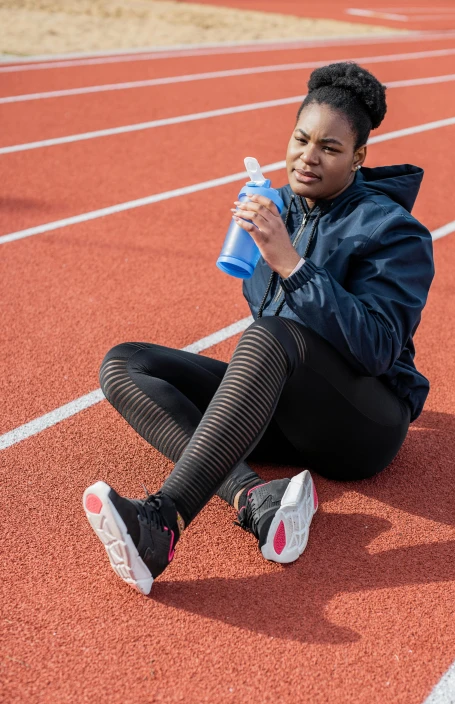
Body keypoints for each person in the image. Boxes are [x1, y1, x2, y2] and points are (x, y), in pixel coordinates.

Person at [83, 62, 434, 596]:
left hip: (361, 428)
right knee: (125, 363)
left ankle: (161, 522)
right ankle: (255, 498)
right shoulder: (278, 207)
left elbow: (380, 349)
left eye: (330, 148)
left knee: (268, 335)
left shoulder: (395, 232)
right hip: (283, 406)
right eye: (300, 139)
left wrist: (293, 265)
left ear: (359, 158)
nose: (307, 157)